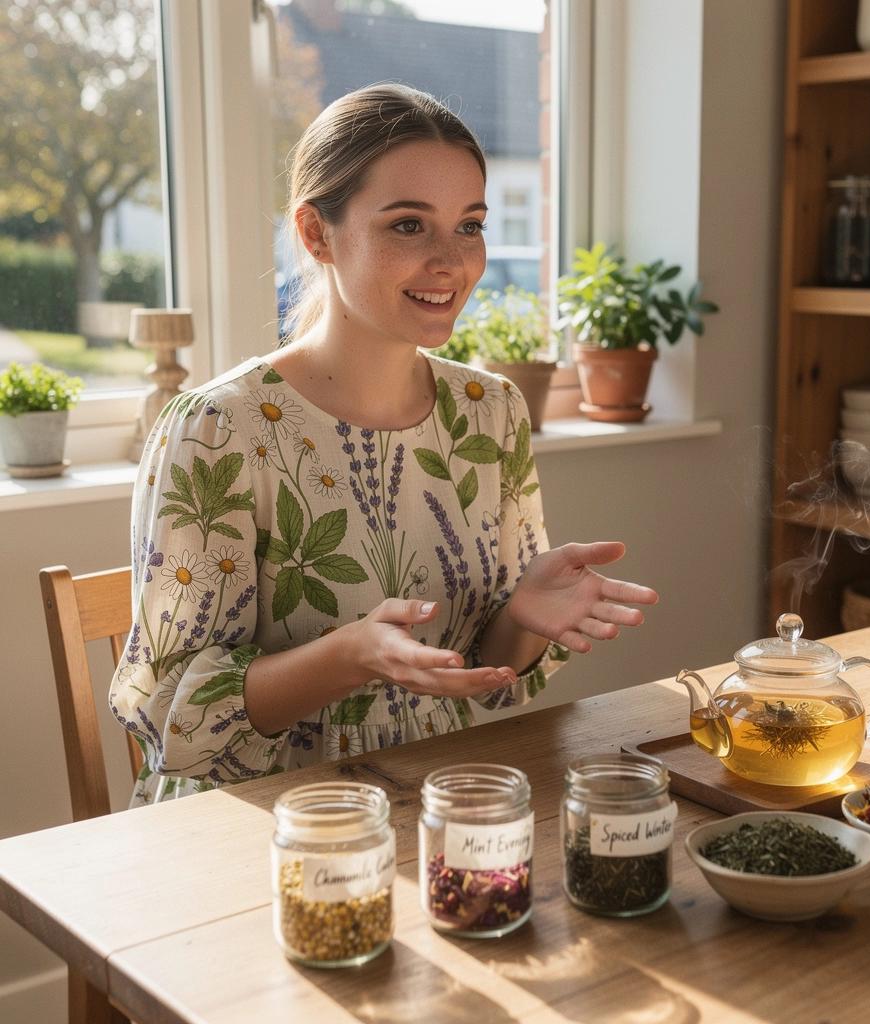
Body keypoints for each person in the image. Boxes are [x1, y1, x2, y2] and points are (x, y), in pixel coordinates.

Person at [109, 83, 659, 805]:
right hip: (260, 828)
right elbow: (176, 720)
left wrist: (521, 615)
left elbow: (480, 684)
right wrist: (349, 657)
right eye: (408, 225)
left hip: (441, 798)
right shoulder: (218, 429)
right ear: (316, 234)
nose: (452, 262)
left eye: (470, 226)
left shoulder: (489, 410)